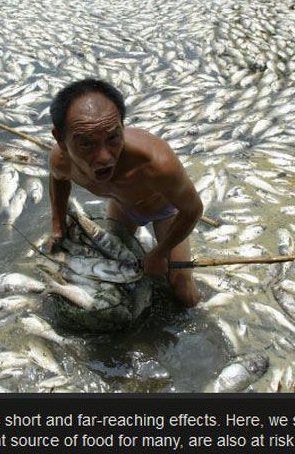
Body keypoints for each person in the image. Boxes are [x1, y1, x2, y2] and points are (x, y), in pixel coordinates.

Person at [48, 78, 203, 307]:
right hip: (123, 207)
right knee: (118, 275)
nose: (104, 157)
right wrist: (58, 225)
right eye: (86, 144)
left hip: (165, 211)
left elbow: (193, 210)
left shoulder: (157, 164)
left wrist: (160, 253)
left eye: (113, 138)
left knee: (182, 294)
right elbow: (58, 181)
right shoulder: (61, 161)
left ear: (122, 125)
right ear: (60, 139)